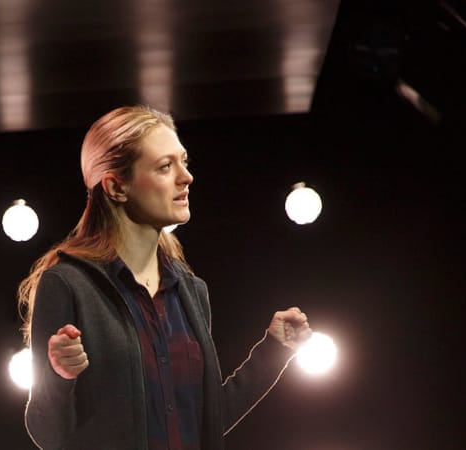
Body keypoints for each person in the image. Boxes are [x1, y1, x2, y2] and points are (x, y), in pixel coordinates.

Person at [17, 105, 312, 450]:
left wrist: (273, 352)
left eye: (184, 162)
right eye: (165, 166)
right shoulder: (67, 284)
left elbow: (206, 425)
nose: (186, 177)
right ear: (116, 187)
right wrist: (58, 376)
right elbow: (48, 435)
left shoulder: (190, 290)